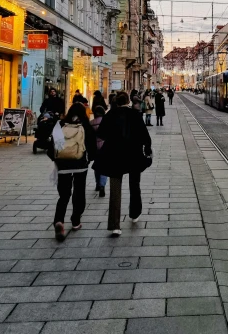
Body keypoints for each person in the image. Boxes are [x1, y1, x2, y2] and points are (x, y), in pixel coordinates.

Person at [94, 91, 153, 236]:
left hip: (115, 156)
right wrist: (147, 148)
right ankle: (134, 213)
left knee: (115, 189)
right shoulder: (135, 115)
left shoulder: (110, 115)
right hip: (133, 155)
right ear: (128, 101)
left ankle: (115, 225)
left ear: (116, 102)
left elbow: (100, 134)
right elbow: (145, 135)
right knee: (134, 184)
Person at [50, 103, 97, 241]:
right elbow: (92, 148)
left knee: (64, 195)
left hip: (63, 165)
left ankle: (59, 220)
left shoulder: (61, 124)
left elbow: (53, 146)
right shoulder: (85, 126)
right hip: (80, 164)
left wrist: (57, 159)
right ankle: (76, 220)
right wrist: (89, 159)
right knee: (79, 191)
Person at [90, 106, 107, 197]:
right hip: (104, 146)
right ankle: (102, 185)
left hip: (95, 147)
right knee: (104, 166)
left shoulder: (91, 123)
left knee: (97, 166)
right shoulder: (106, 122)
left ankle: (97, 184)